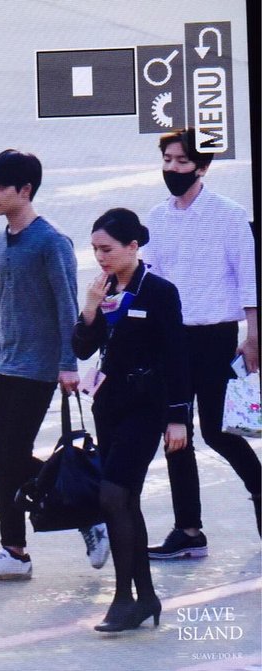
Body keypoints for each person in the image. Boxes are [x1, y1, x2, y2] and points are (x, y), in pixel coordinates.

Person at [0, 149, 109, 581]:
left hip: (39, 368)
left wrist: (68, 364)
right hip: (5, 364)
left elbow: (66, 305)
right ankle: (15, 550)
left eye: (0, 187)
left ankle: (86, 512)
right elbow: (2, 301)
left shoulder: (51, 242)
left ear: (25, 190)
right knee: (3, 460)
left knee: (10, 457)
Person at [143, 128, 261, 560]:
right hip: (171, 338)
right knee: (175, 433)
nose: (172, 168)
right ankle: (188, 530)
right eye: (167, 160)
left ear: (202, 167)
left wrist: (253, 336)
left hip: (215, 336)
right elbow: (150, 278)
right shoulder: (157, 217)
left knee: (217, 430)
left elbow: (249, 277)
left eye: (181, 161)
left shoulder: (228, 214)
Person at [72, 207, 190, 632]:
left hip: (146, 407)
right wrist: (90, 309)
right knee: (125, 501)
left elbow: (177, 357)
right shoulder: (102, 289)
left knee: (113, 495)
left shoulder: (159, 291)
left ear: (133, 246)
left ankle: (124, 598)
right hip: (109, 406)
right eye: (95, 250)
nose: (100, 257)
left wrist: (178, 417)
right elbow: (83, 348)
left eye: (107, 249)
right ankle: (145, 598)